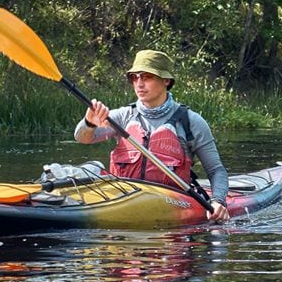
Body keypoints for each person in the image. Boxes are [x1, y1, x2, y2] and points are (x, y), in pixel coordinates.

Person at [75, 49, 230, 222]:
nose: (139, 84)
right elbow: (82, 138)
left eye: (147, 77)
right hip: (124, 199)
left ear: (166, 80)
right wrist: (89, 122)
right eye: (135, 78)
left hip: (172, 204)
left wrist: (218, 201)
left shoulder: (191, 122)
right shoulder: (123, 116)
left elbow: (216, 170)